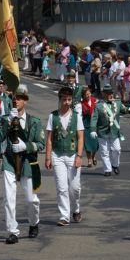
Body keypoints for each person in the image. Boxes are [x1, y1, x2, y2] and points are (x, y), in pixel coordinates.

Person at [0, 85, 44, 243]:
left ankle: (33, 223)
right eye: (14, 98)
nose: (16, 100)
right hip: (10, 161)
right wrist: (8, 121)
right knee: (9, 199)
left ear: (25, 101)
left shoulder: (34, 121)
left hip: (28, 162)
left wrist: (27, 146)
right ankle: (13, 231)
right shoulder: (5, 119)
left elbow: (41, 144)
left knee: (32, 200)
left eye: (20, 98)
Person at [45, 87, 84, 227]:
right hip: (57, 155)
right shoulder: (53, 116)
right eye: (64, 100)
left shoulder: (77, 116)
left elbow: (80, 138)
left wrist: (79, 156)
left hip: (73, 155)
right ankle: (64, 216)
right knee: (62, 188)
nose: (67, 102)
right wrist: (48, 157)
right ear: (60, 100)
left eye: (69, 99)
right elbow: (49, 139)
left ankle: (76, 208)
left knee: (74, 187)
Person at [91, 83, 130, 176]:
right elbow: (94, 118)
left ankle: (115, 164)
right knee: (104, 151)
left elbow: (124, 110)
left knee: (117, 149)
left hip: (114, 131)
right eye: (107, 93)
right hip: (102, 131)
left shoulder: (117, 103)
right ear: (104, 94)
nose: (110, 94)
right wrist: (93, 129)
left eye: (111, 93)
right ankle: (107, 169)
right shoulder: (98, 105)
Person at [80, 87, 100, 167]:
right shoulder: (81, 104)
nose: (88, 95)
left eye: (89, 93)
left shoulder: (95, 100)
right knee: (87, 144)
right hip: (86, 125)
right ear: (83, 96)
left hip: (95, 125)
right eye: (86, 94)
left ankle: (94, 155)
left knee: (95, 144)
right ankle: (89, 160)